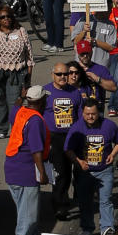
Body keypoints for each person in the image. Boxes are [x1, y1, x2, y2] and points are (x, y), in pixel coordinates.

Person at [65, 96, 118, 235]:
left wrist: (112, 154)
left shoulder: (109, 126)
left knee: (106, 200)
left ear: (98, 113)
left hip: (105, 170)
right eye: (87, 114)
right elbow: (68, 149)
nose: (90, 117)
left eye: (93, 114)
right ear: (82, 113)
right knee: (85, 202)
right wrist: (79, 161)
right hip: (85, 172)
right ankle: (87, 229)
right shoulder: (76, 128)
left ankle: (107, 228)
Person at [4, 85, 50, 235]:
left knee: (23, 207)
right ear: (40, 101)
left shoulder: (20, 112)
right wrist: (42, 173)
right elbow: (36, 150)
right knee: (28, 208)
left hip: (12, 168)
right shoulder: (36, 120)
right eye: (45, 99)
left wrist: (21, 97)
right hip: (26, 170)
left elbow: (15, 107)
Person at [0, 7, 34, 138]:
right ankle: (2, 129)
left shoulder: (21, 32)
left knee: (14, 101)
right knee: (1, 101)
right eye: (3, 17)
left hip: (17, 73)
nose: (6, 19)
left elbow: (29, 57)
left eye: (8, 16)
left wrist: (28, 78)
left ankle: (16, 128)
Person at [43, 61, 82, 221]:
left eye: (65, 74)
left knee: (75, 170)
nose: (63, 77)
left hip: (71, 136)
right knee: (60, 173)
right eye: (59, 74)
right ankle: (60, 206)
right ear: (53, 75)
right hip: (54, 137)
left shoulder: (75, 92)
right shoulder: (45, 92)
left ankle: (78, 199)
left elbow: (80, 116)